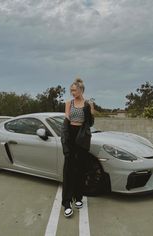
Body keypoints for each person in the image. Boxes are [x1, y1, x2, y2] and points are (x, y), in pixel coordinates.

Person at [60, 78, 94, 218]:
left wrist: (90, 110)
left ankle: (78, 197)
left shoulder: (88, 104)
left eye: (75, 90)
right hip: (71, 137)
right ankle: (67, 202)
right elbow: (66, 122)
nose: (72, 92)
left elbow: (90, 123)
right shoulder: (69, 103)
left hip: (82, 138)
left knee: (80, 169)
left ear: (81, 90)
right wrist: (66, 142)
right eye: (71, 90)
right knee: (68, 169)